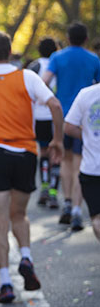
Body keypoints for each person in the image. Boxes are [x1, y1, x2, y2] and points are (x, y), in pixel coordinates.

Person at [0, 30, 64, 304]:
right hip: (26, 153)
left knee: (0, 221)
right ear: (10, 51)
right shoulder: (27, 77)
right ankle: (27, 258)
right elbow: (54, 104)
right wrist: (57, 140)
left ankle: (5, 282)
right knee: (20, 215)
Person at [42, 22, 100, 231]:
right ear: (85, 39)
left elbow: (45, 81)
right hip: (86, 119)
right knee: (80, 164)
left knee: (65, 161)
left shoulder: (57, 58)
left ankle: (66, 202)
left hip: (62, 117)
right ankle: (77, 209)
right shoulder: (94, 59)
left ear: (67, 38)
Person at [64, 83, 100, 241]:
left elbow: (69, 127)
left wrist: (87, 136)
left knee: (97, 218)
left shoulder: (86, 94)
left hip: (92, 168)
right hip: (91, 169)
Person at [28, 37, 60, 208]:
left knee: (44, 152)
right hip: (56, 115)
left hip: (39, 116)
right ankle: (54, 191)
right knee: (57, 153)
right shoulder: (59, 64)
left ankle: (45, 187)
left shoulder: (35, 66)